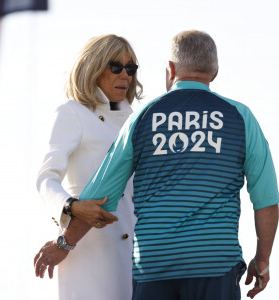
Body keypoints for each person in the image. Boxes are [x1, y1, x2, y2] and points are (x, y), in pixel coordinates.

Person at [70, 30, 278, 300]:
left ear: (171, 69)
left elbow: (99, 194)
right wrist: (262, 259)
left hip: (154, 266)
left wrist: (64, 242)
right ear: (214, 72)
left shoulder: (142, 117)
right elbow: (267, 199)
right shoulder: (240, 117)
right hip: (214, 264)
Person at [34, 34, 143, 300]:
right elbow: (46, 179)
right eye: (115, 67)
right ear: (94, 67)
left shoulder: (137, 121)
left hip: (137, 259)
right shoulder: (73, 113)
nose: (125, 76)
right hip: (86, 251)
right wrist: (71, 206)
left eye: (130, 69)